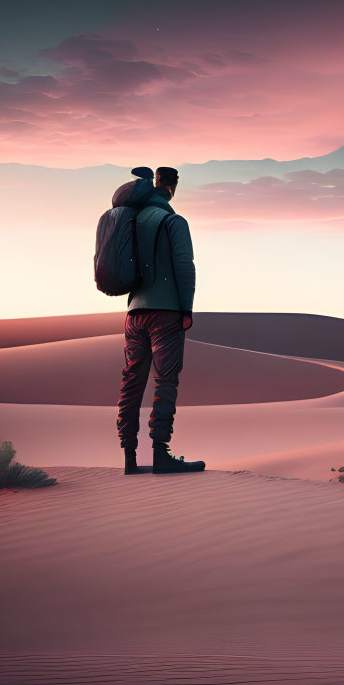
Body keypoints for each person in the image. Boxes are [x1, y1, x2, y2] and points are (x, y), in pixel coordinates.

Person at [116, 166, 205, 474]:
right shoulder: (173, 221)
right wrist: (187, 309)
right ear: (172, 186)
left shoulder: (130, 221)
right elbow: (184, 266)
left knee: (131, 382)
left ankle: (129, 458)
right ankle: (160, 454)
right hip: (165, 312)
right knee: (165, 380)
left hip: (133, 314)